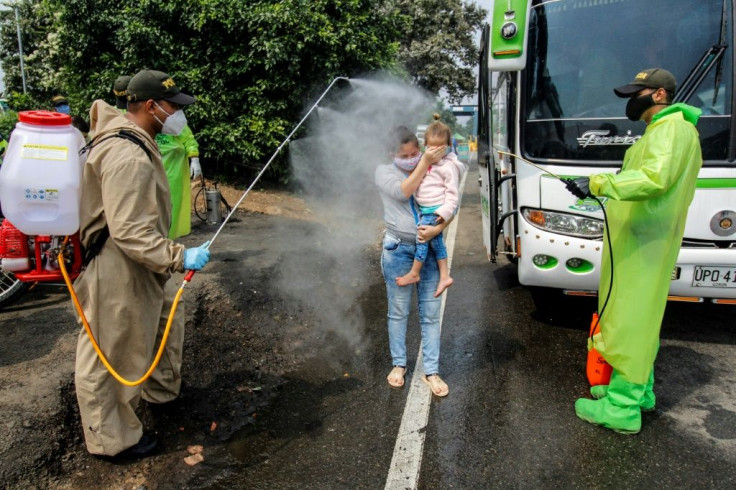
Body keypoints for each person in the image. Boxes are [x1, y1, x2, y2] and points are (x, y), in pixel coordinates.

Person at [73, 68, 211, 459]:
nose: (179, 114)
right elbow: (130, 232)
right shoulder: (128, 155)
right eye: (173, 107)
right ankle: (111, 441)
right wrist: (180, 256)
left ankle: (160, 393)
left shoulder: (139, 140)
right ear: (151, 106)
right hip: (116, 264)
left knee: (165, 315)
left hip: (137, 261)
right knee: (108, 350)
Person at [565, 68, 703, 434]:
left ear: (658, 95)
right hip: (639, 238)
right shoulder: (661, 131)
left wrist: (597, 182)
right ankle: (638, 390)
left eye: (636, 93)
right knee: (636, 315)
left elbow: (653, 179)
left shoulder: (673, 129)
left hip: (645, 241)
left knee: (632, 316)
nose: (630, 101)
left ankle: (623, 407)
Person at [375, 125, 452, 397]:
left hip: (429, 249)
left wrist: (439, 229)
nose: (412, 158)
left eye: (415, 152)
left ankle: (431, 370)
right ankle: (399, 364)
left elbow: (448, 201)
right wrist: (425, 163)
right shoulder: (384, 172)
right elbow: (403, 192)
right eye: (405, 155)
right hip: (398, 250)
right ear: (391, 154)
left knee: (431, 315)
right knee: (398, 311)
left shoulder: (434, 166)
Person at [396, 116, 465, 297]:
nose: (435, 152)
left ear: (448, 146)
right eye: (431, 147)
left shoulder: (447, 167)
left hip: (434, 212)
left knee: (422, 240)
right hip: (425, 210)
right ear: (425, 145)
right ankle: (444, 276)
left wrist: (442, 214)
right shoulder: (424, 163)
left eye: (440, 148)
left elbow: (452, 196)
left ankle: (414, 273)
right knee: (436, 243)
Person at [157, 122, 201, 238]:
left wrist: (194, 157)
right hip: (148, 167)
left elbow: (187, 137)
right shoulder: (127, 114)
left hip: (173, 169)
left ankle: (167, 240)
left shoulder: (170, 115)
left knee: (171, 206)